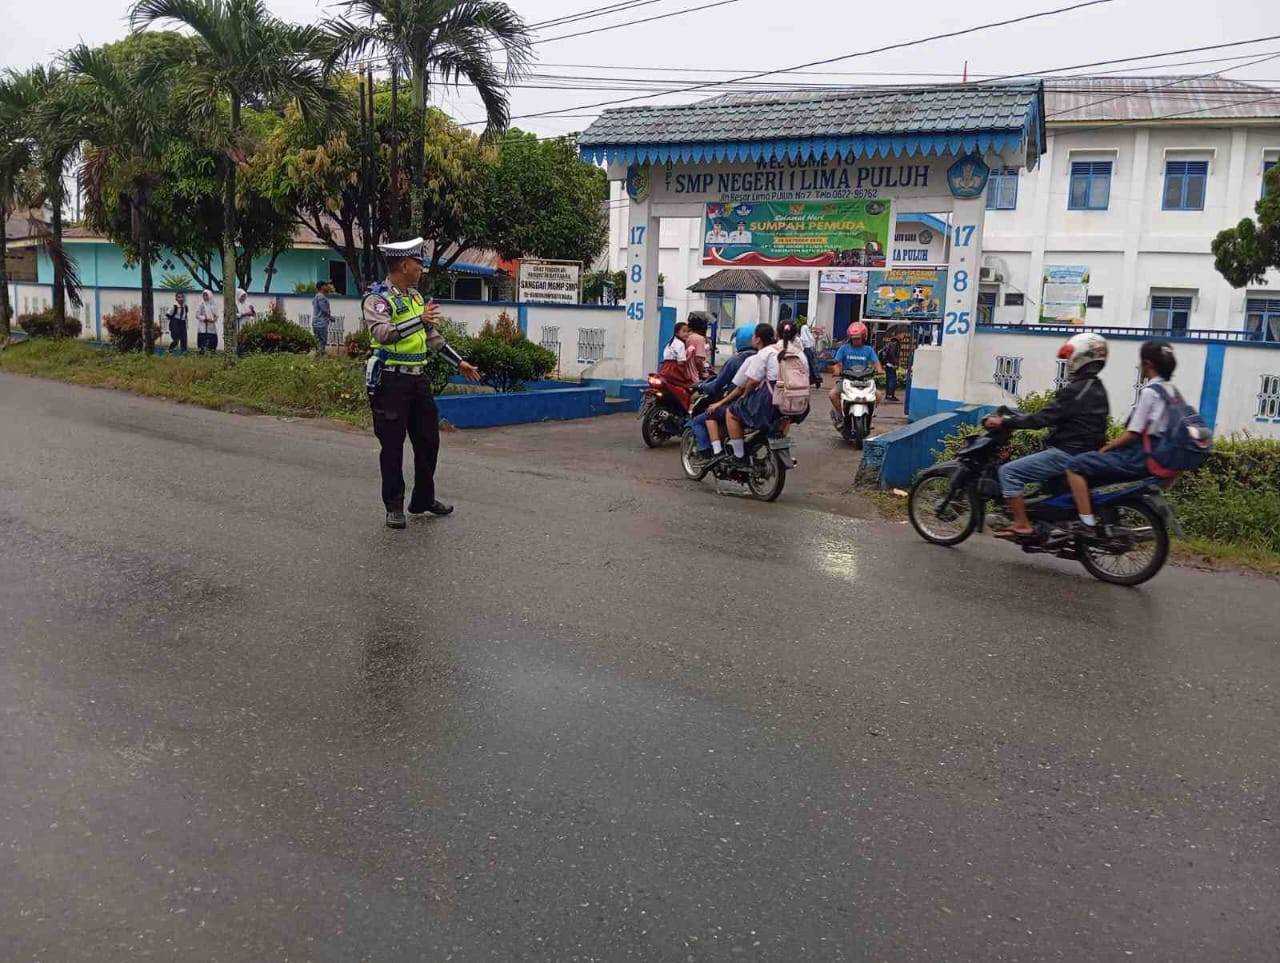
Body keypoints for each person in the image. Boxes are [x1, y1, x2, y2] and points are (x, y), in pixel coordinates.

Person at [364, 237, 482, 530]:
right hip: (390, 380)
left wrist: (460, 363)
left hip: (419, 379)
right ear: (404, 265)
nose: (421, 269)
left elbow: (432, 339)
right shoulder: (377, 299)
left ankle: (423, 499)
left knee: (429, 441)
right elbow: (384, 333)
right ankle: (394, 506)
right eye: (418, 264)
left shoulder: (416, 298)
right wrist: (419, 319)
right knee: (392, 446)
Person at [981, 333, 1110, 540]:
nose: (1068, 364)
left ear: (1080, 358)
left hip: (1068, 453)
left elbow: (1042, 419)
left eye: (1070, 359)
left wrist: (1005, 422)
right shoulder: (1097, 388)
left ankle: (1022, 524)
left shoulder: (1075, 390)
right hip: (1087, 450)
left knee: (1009, 472)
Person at [1064, 340, 1179, 536]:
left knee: (1075, 465)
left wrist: (1105, 449)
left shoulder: (1151, 391)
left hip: (1139, 457)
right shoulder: (1172, 391)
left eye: (1141, 362)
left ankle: (1086, 522)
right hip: (1161, 456)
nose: (1139, 366)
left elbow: (1132, 433)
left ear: (1148, 365)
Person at [688, 325, 758, 463]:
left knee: (701, 419)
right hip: (758, 406)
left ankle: (714, 453)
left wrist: (701, 386)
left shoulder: (736, 360)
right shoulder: (764, 358)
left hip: (738, 406)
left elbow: (717, 385)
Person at [829, 321, 883, 415]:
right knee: (832, 394)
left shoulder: (868, 349)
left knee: (878, 395)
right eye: (854, 339)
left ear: (863, 337)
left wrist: (879, 370)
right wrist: (836, 370)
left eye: (858, 338)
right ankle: (840, 414)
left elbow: (876, 362)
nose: (856, 340)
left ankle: (869, 415)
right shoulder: (843, 348)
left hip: (865, 380)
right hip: (846, 379)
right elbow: (836, 362)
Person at [685, 314, 711, 381]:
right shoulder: (699, 338)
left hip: (684, 374)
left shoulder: (686, 336)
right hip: (693, 375)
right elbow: (698, 360)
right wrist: (702, 371)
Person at [798, 319, 821, 388]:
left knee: (805, 367)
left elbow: (801, 347)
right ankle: (817, 379)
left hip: (805, 352)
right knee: (813, 366)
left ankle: (807, 380)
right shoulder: (810, 337)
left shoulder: (801, 338)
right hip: (811, 352)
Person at [312, 282, 333, 356]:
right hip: (321, 322)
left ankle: (318, 357)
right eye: (325, 286)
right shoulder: (321, 297)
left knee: (318, 341)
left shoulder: (316, 296)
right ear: (321, 287)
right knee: (322, 341)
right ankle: (320, 356)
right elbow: (323, 309)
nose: (327, 287)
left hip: (315, 322)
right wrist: (330, 317)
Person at [880, 334, 901, 401]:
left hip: (888, 364)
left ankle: (888, 395)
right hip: (891, 364)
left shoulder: (890, 343)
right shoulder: (895, 343)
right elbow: (892, 354)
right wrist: (895, 363)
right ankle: (890, 395)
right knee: (892, 380)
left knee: (889, 380)